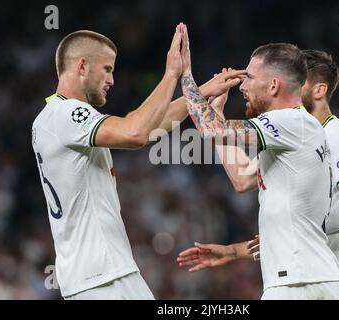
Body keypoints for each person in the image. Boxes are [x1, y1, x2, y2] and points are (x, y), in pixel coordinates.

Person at [31, 23, 244, 300]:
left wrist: (198, 93)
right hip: (101, 279)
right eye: (107, 69)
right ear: (82, 66)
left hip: (104, 275)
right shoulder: (66, 113)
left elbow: (147, 123)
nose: (112, 80)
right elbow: (136, 132)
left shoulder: (55, 117)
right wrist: (171, 74)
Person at [178, 50, 339, 300]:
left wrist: (184, 77)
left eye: (299, 80)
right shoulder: (289, 136)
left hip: (336, 282)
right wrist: (235, 252)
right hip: (304, 277)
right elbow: (242, 178)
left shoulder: (333, 134)